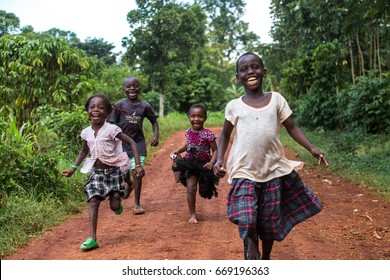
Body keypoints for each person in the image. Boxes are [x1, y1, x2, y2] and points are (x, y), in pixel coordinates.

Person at [213, 52, 329, 260]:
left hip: (272, 170)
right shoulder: (234, 106)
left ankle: (265, 259)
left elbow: (292, 127)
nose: (250, 72)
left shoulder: (276, 100)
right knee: (247, 216)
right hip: (244, 169)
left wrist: (311, 148)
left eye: (255, 67)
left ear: (264, 72)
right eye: (244, 69)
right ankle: (250, 244)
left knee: (268, 222)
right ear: (238, 77)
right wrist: (220, 158)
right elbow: (224, 135)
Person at [62, 94, 145, 251]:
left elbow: (132, 143)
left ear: (107, 112)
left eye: (100, 107)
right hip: (96, 173)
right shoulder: (86, 132)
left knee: (114, 207)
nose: (96, 110)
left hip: (113, 172)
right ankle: (93, 238)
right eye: (92, 107)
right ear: (87, 110)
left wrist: (138, 164)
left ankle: (119, 196)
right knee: (93, 200)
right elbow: (84, 151)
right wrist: (73, 167)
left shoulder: (112, 129)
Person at [108, 76, 159, 215]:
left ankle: (137, 203)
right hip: (121, 145)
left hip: (138, 143)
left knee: (137, 172)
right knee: (124, 173)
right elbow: (111, 125)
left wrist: (156, 135)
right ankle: (128, 183)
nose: (132, 88)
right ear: (124, 89)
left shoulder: (145, 106)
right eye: (128, 86)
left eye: (135, 86)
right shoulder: (119, 105)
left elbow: (154, 121)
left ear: (139, 88)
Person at [171, 104, 219, 224]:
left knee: (204, 190)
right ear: (189, 117)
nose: (196, 119)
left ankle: (204, 189)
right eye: (193, 116)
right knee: (191, 188)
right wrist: (179, 151)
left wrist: (212, 162)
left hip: (204, 165)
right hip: (190, 163)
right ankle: (192, 214)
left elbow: (215, 150)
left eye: (200, 116)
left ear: (205, 118)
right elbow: (188, 145)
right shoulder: (188, 132)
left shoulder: (208, 134)